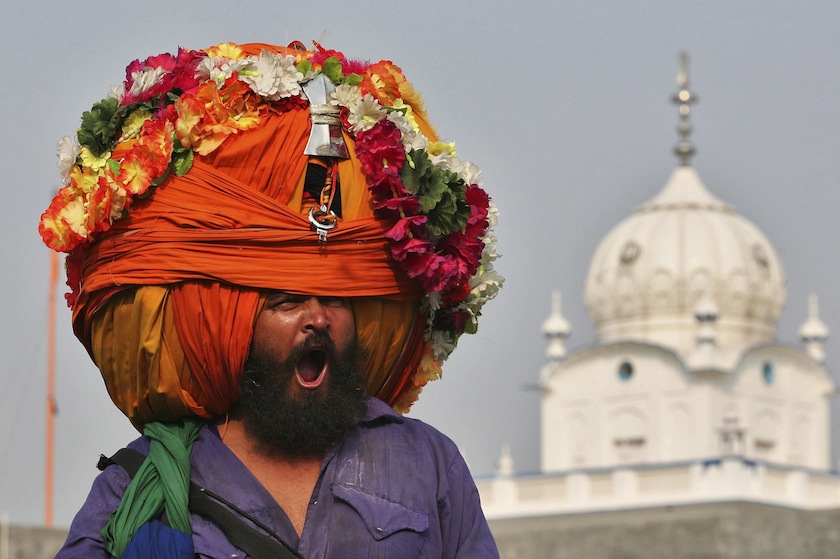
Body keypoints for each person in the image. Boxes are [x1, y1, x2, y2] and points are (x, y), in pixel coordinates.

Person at [41, 41, 502, 558]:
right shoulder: (137, 487)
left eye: (335, 299)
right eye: (286, 301)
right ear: (236, 324)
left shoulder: (424, 463)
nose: (318, 319)